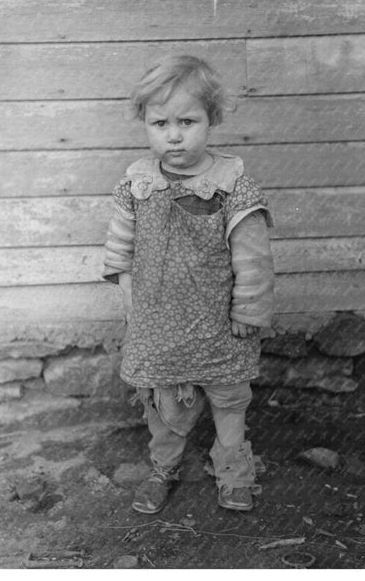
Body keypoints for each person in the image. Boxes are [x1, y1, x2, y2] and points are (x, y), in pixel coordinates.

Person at [102, 55, 274, 514]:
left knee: (229, 400)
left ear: (211, 120)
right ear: (144, 122)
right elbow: (120, 252)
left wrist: (248, 312)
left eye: (187, 121)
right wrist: (132, 306)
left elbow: (253, 258)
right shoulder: (136, 184)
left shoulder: (231, 184)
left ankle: (234, 473)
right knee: (163, 406)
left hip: (220, 324)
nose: (174, 135)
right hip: (158, 323)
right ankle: (164, 469)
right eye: (160, 123)